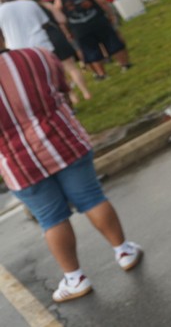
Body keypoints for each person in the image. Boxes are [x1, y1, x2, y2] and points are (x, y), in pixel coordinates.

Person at [0, 35, 142, 302]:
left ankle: (75, 278)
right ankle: (124, 251)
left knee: (51, 219)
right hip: (63, 142)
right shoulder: (37, 56)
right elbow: (62, 89)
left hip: (19, 163)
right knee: (92, 198)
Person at [54, 0, 131, 78]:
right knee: (112, 41)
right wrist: (110, 14)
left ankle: (102, 74)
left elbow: (60, 18)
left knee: (91, 50)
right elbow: (102, 2)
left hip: (79, 28)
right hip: (97, 20)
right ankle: (125, 64)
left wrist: (67, 31)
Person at [19, 0, 91, 102]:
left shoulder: (24, 12)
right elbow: (62, 19)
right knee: (71, 67)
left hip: (41, 41)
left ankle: (72, 96)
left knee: (57, 72)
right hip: (56, 37)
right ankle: (85, 92)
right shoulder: (47, 5)